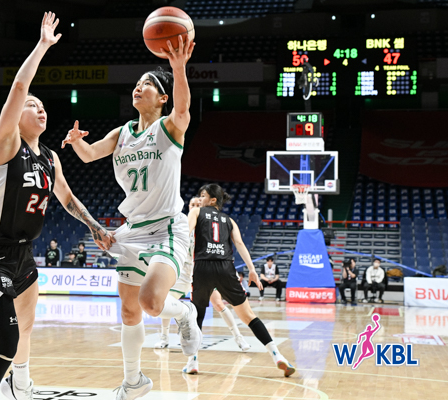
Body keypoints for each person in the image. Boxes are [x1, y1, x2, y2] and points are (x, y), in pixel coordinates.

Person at [0, 13, 113, 400]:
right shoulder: (6, 142)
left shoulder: (50, 157)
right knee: (6, 343)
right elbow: (18, 86)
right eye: (33, 105)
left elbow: (67, 198)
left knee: (27, 328)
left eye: (43, 105)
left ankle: (21, 384)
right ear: (17, 116)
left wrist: (96, 227)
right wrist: (43, 45)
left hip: (24, 255)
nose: (40, 109)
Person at [62, 34, 201, 399]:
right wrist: (76, 142)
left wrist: (178, 68)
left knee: (151, 302)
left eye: (147, 84)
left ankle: (184, 313)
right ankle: (134, 381)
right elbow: (90, 155)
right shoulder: (122, 133)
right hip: (133, 230)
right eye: (137, 84)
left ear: (162, 98)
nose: (138, 88)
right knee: (128, 311)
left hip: (166, 227)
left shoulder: (168, 128)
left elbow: (184, 109)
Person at [186, 184, 295, 377]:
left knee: (197, 316)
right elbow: (240, 244)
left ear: (212, 200)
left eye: (203, 196)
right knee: (249, 316)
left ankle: (192, 361)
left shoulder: (196, 211)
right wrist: (252, 270)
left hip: (202, 266)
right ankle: (277, 355)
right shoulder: (229, 220)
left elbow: (186, 234)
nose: (199, 199)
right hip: (225, 268)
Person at [155, 197, 251, 353]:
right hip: (184, 273)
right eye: (192, 204)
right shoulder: (182, 226)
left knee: (218, 304)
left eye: (198, 205)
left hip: (203, 271)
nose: (195, 206)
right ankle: (164, 338)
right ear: (189, 207)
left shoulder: (207, 227)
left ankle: (239, 337)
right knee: (167, 300)